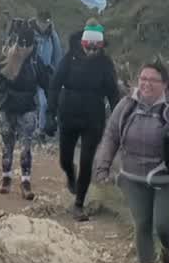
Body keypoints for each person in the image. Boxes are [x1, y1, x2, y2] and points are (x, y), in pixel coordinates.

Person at [94, 60, 169, 263]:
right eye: (143, 79)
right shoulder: (126, 105)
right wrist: (102, 166)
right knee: (142, 223)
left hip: (166, 178)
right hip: (132, 177)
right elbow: (111, 136)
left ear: (165, 84)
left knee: (162, 225)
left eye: (153, 80)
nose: (146, 84)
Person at [45, 20, 120, 222]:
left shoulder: (105, 63)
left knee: (87, 160)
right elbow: (54, 85)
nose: (92, 50)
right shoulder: (69, 58)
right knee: (65, 159)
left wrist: (120, 118)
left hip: (93, 117)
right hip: (68, 113)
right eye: (89, 46)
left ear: (101, 46)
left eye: (97, 47)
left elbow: (113, 94)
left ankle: (78, 204)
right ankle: (70, 175)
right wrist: (49, 114)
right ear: (83, 43)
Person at [0, 40, 50, 198]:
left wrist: (54, 104)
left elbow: (47, 83)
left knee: (25, 147)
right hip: (7, 108)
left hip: (27, 109)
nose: (23, 48)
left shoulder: (36, 61)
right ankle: (6, 178)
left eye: (26, 45)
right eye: (20, 45)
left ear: (31, 46)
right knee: (7, 146)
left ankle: (25, 183)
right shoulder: (5, 58)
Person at [30, 9, 63, 140]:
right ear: (38, 21)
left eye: (48, 23)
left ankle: (41, 130)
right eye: (43, 23)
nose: (45, 25)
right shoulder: (30, 33)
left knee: (45, 103)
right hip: (30, 73)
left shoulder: (52, 36)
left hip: (46, 75)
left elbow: (58, 56)